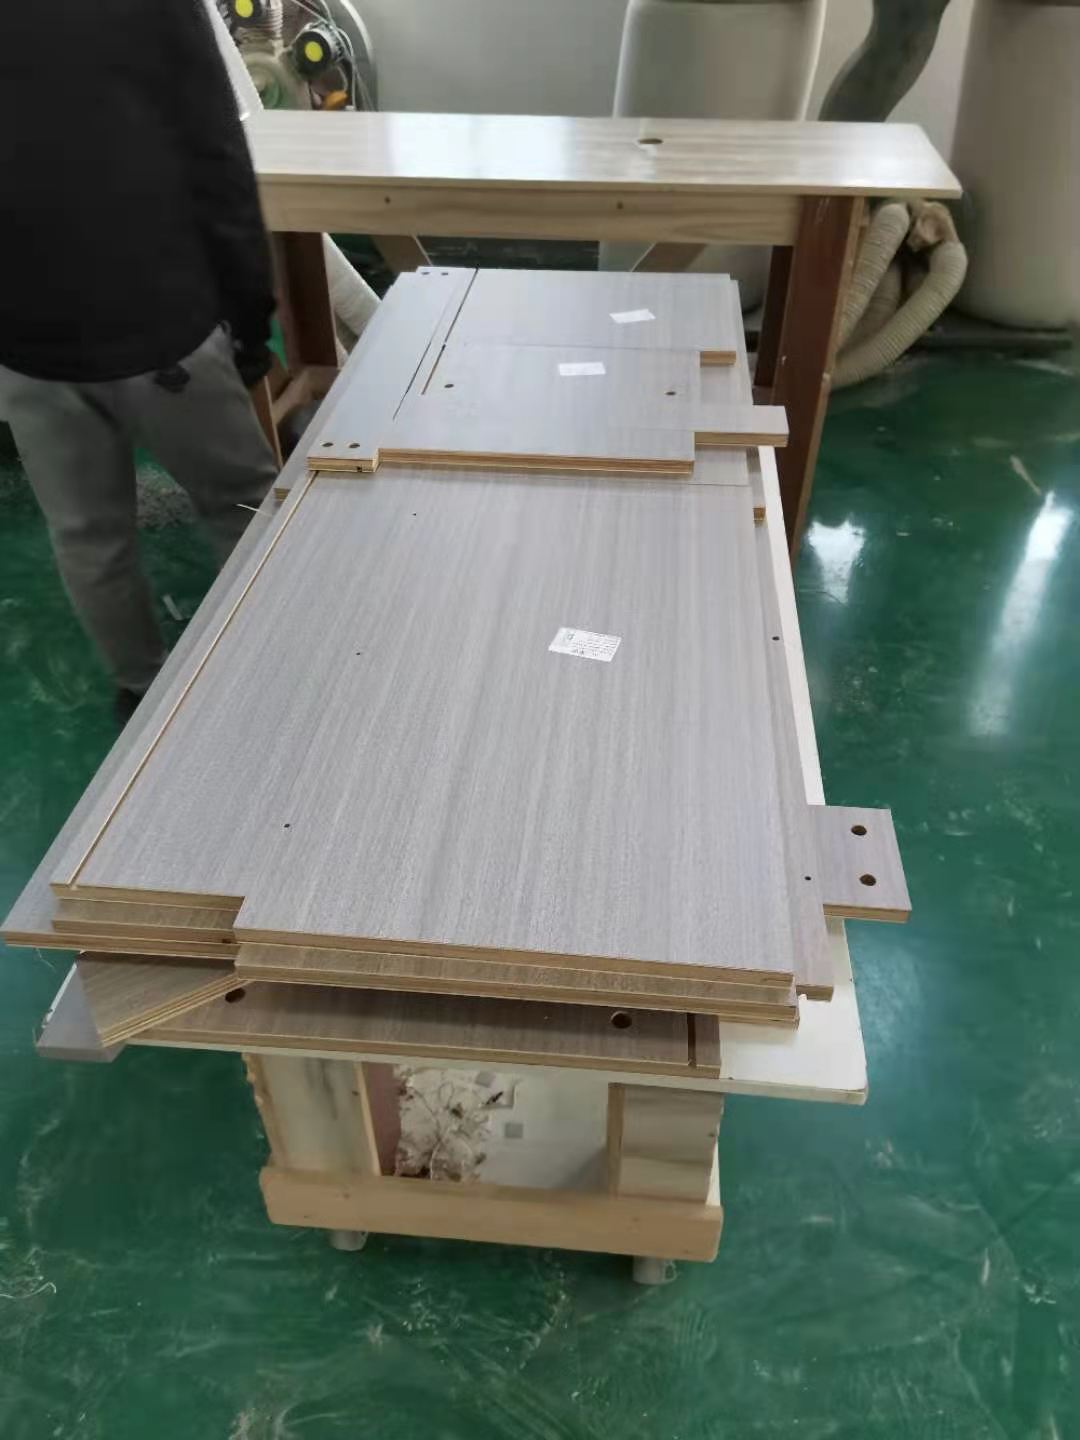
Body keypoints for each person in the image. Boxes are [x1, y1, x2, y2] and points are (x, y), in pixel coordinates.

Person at [0, 0, 280, 723]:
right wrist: (251, 319)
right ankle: (280, 665)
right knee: (244, 502)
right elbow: (215, 154)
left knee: (88, 537)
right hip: (160, 323)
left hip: (27, 342)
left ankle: (141, 693)